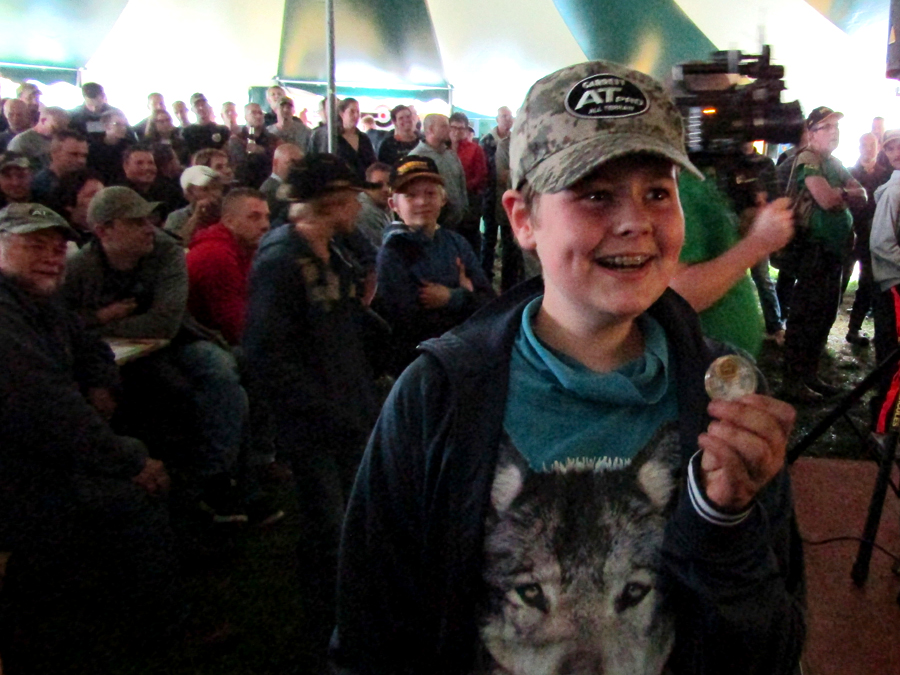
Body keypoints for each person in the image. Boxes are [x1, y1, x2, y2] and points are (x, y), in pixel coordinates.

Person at [332, 60, 804, 675]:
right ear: (522, 219)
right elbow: (373, 637)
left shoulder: (723, 400)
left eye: (657, 192)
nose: (635, 221)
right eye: (595, 194)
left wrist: (727, 525)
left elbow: (773, 650)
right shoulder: (438, 398)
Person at [0, 202, 178, 671]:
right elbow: (47, 408)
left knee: (158, 417)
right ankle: (150, 630)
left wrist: (100, 382)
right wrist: (129, 461)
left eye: (57, 248)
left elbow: (92, 347)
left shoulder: (41, 302)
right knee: (137, 486)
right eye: (34, 245)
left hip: (44, 454)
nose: (50, 257)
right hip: (19, 476)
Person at [242, 155, 381, 667]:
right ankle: (325, 635)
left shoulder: (334, 249)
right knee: (328, 528)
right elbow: (265, 352)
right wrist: (318, 410)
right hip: (315, 422)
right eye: (351, 199)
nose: (359, 208)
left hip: (348, 408)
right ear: (332, 202)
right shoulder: (281, 261)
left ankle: (350, 619)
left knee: (352, 521)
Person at [63, 186, 253, 522]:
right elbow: (62, 322)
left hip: (179, 341)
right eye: (136, 222)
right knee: (156, 393)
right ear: (104, 231)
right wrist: (99, 319)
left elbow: (165, 323)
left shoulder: (166, 252)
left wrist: (100, 323)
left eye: (148, 220)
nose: (149, 228)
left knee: (221, 370)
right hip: (113, 358)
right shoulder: (80, 267)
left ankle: (216, 476)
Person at [373, 154, 494, 374]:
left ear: (443, 198)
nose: (422, 202)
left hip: (463, 357)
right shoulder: (393, 253)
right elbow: (406, 322)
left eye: (430, 193)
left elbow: (488, 302)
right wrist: (465, 294)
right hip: (420, 365)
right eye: (410, 196)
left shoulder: (456, 243)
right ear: (394, 205)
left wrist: (452, 297)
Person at [781, 106, 867, 402]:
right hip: (813, 249)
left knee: (825, 314)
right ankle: (793, 381)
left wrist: (843, 193)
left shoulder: (834, 162)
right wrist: (844, 193)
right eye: (827, 127)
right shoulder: (808, 159)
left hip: (833, 250)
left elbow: (863, 194)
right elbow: (826, 199)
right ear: (811, 132)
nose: (834, 132)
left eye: (836, 127)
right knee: (807, 315)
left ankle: (809, 375)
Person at [186, 187, 269, 345]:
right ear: (230, 222)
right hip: (201, 341)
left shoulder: (244, 249)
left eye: (266, 217)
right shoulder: (215, 254)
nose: (265, 225)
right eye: (254, 217)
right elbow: (235, 325)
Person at [868, 129, 900, 424]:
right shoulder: (893, 192)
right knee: (895, 358)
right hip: (895, 284)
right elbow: (880, 243)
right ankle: (884, 425)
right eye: (890, 149)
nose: (896, 153)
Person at [846, 132, 890, 346]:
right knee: (839, 281)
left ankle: (854, 328)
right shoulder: (849, 173)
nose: (868, 149)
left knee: (867, 282)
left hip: (874, 237)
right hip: (851, 235)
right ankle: (822, 331)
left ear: (878, 147)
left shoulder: (886, 174)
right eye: (864, 145)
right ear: (859, 147)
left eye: (872, 145)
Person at [480, 105, 523, 290]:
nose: (508, 120)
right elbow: (501, 175)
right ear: (497, 119)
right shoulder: (498, 143)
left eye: (510, 116)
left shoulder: (529, 143)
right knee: (496, 244)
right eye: (504, 116)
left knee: (518, 251)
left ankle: (516, 286)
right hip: (497, 201)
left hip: (523, 205)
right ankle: (490, 283)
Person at [409, 114, 468, 231]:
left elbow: (461, 183)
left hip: (457, 221)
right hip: (433, 223)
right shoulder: (416, 157)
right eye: (444, 126)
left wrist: (464, 207)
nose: (449, 129)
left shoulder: (451, 154)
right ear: (431, 129)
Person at [307, 97, 376, 181]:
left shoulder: (364, 138)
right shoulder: (329, 137)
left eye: (358, 112)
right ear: (342, 113)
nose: (356, 116)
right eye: (352, 112)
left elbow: (372, 164)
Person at [449, 111, 488, 256]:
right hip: (447, 202)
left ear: (466, 130)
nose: (456, 132)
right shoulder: (443, 149)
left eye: (461, 128)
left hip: (470, 201)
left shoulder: (475, 149)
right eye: (453, 127)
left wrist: (461, 189)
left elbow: (481, 175)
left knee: (469, 240)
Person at [118, 143, 185, 223]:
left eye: (151, 163)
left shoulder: (169, 191)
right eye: (139, 163)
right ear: (126, 166)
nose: (147, 168)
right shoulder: (119, 196)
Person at [164, 164, 224, 242]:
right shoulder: (176, 218)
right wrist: (196, 217)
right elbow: (176, 244)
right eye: (205, 189)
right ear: (189, 194)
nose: (213, 193)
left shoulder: (229, 211)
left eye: (216, 188)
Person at [31, 130, 89, 206]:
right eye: (74, 154)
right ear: (54, 153)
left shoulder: (88, 182)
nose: (81, 161)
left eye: (84, 156)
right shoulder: (40, 186)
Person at [227, 102, 277, 189]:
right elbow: (239, 166)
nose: (258, 116)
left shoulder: (273, 139)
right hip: (245, 186)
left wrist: (263, 151)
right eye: (253, 113)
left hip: (268, 185)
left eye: (260, 113)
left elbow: (277, 161)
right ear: (245, 117)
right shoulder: (237, 140)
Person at [85, 109, 133, 185]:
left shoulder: (130, 148)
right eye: (117, 124)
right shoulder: (93, 149)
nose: (123, 128)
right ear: (106, 126)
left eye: (124, 125)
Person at [259, 142, 303, 221]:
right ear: (275, 163)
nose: (296, 168)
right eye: (291, 163)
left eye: (300, 164)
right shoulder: (269, 191)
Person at [354, 161, 391, 249]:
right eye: (378, 185)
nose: (386, 189)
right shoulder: (366, 211)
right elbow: (383, 250)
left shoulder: (384, 205)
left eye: (389, 184)